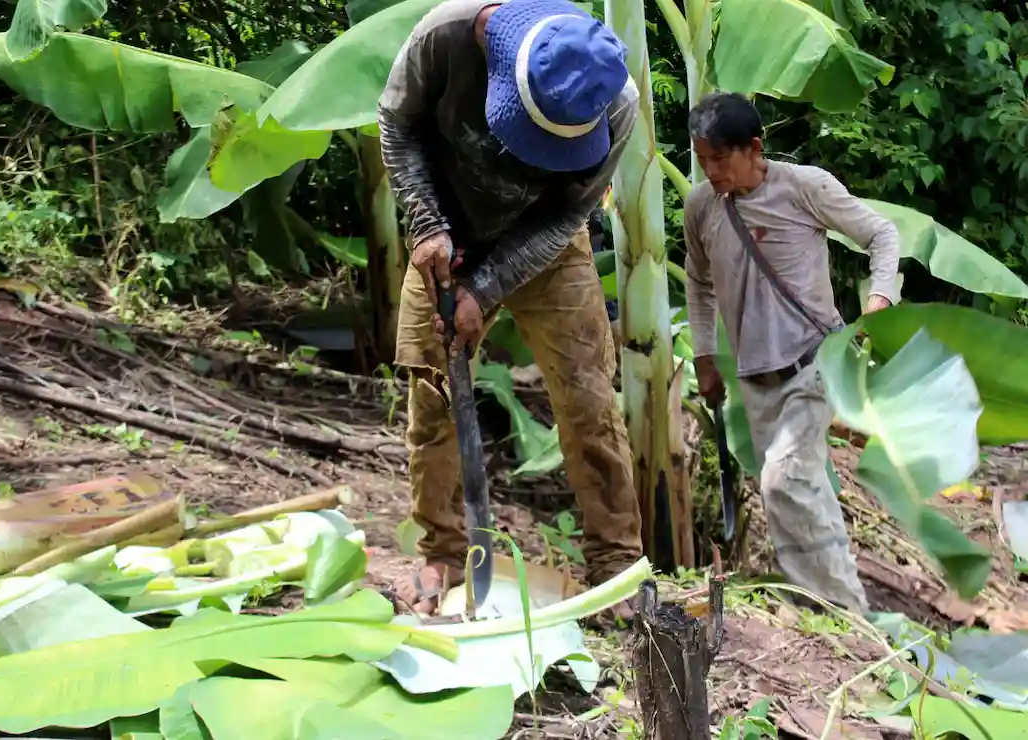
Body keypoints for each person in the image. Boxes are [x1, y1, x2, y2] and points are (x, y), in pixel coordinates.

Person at [377, 0, 643, 615]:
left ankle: (616, 564)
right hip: (443, 238)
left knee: (590, 400)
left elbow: (570, 214)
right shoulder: (442, 38)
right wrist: (427, 223)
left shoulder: (617, 100)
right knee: (434, 399)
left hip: (547, 244)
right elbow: (397, 124)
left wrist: (488, 288)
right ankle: (444, 554)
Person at [683, 91, 901, 614]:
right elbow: (698, 282)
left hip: (816, 362)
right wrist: (705, 357)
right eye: (702, 160)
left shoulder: (804, 188)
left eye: (720, 159)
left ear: (753, 148)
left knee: (785, 478)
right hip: (755, 377)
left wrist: (879, 299)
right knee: (792, 494)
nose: (711, 171)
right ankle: (828, 610)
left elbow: (882, 235)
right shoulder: (701, 208)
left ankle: (845, 611)